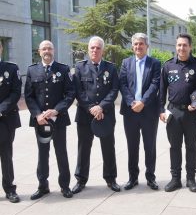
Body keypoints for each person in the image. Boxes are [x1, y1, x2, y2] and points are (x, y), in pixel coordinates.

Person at [25, 40, 75, 200]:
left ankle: (65, 186)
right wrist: (37, 114)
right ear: (39, 52)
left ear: (54, 51)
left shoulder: (63, 69)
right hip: (41, 121)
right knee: (43, 153)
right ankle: (42, 186)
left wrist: (56, 110)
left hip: (58, 120)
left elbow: (70, 93)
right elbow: (29, 96)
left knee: (61, 152)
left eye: (50, 48)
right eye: (44, 49)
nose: (47, 51)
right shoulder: (32, 70)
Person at [159, 33, 196, 192]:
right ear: (176, 47)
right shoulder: (168, 66)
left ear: (190, 47)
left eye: (185, 45)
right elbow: (162, 91)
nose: (181, 48)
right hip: (173, 111)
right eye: (179, 45)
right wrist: (161, 110)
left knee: (191, 146)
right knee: (174, 146)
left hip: (193, 113)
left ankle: (191, 179)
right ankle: (175, 179)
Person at [72, 36, 120, 194]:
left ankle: (111, 178)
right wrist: (92, 107)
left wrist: (101, 107)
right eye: (92, 47)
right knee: (83, 148)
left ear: (103, 50)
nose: (95, 50)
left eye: (98, 48)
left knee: (108, 148)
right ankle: (81, 179)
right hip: (86, 115)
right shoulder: (79, 67)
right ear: (88, 49)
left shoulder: (111, 68)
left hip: (105, 115)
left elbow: (114, 90)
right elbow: (78, 91)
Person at [119, 33, 161, 190]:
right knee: (132, 145)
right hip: (130, 112)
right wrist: (132, 103)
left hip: (148, 111)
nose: (138, 46)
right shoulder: (126, 63)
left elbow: (155, 84)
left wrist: (143, 102)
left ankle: (151, 177)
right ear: (132, 47)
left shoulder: (155, 63)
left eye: (141, 44)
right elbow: (122, 84)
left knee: (149, 146)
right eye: (136, 44)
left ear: (147, 46)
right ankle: (133, 178)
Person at [0, 41, 22, 203]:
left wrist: (1, 109)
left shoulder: (11, 68)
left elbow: (15, 93)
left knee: (6, 155)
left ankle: (9, 189)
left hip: (6, 119)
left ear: (1, 48)